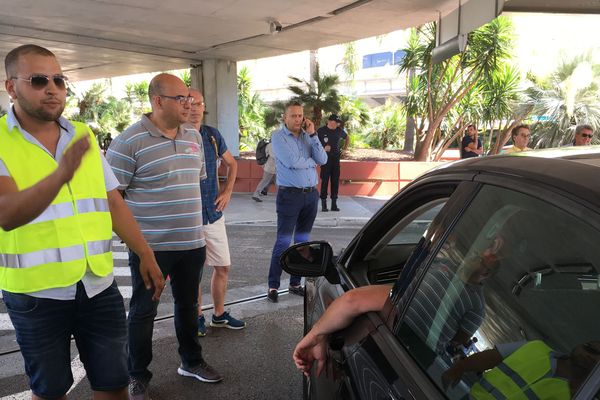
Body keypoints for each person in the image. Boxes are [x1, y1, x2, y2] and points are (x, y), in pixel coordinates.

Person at [0, 44, 164, 400]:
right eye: (38, 80)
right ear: (11, 87)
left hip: (98, 284)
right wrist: (61, 175)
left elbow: (111, 201)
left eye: (59, 80)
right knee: (51, 390)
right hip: (36, 294)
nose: (52, 88)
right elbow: (8, 213)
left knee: (114, 383)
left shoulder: (81, 135)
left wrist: (144, 252)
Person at [107, 74, 222, 399]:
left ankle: (191, 361)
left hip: (192, 243)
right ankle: (138, 375)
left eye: (189, 98)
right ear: (157, 101)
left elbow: (195, 181)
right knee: (144, 312)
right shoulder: (129, 141)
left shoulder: (194, 138)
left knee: (189, 306)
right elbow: (114, 198)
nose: (190, 104)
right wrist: (138, 246)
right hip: (151, 248)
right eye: (181, 99)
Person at [187, 88, 245, 336]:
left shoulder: (212, 135)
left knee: (222, 266)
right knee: (194, 273)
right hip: (188, 217)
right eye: (188, 104)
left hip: (213, 213)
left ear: (203, 106)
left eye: (198, 104)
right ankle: (196, 316)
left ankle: (219, 315)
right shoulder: (177, 136)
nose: (194, 109)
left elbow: (232, 163)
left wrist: (228, 191)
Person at [266, 100, 328, 302]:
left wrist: (313, 135)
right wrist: (311, 162)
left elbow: (323, 159)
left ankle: (295, 283)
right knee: (283, 241)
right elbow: (292, 162)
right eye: (293, 115)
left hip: (311, 195)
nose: (298, 119)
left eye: (300, 115)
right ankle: (273, 286)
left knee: (302, 241)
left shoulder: (308, 137)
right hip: (289, 196)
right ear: (284, 117)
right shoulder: (278, 137)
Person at [442, 339, 600, 399]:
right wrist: (459, 368)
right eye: (590, 349)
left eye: (598, 359)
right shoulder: (534, 347)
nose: (590, 356)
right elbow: (490, 357)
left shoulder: (581, 395)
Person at [317, 114, 347, 212]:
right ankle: (324, 204)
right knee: (325, 181)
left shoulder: (339, 130)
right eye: (336, 122)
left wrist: (345, 149)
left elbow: (347, 137)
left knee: (335, 181)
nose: (337, 124)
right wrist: (323, 148)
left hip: (336, 160)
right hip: (325, 160)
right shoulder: (321, 131)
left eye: (338, 122)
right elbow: (314, 144)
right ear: (330, 121)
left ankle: (334, 204)